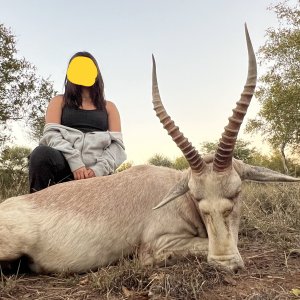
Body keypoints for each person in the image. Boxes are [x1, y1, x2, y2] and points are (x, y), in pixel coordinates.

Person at [28, 51, 126, 193]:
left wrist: (97, 170)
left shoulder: (109, 107)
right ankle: (36, 209)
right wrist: (76, 163)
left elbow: (117, 146)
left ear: (96, 73)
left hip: (97, 171)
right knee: (40, 154)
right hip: (66, 165)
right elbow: (51, 135)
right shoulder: (59, 101)